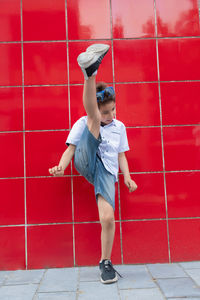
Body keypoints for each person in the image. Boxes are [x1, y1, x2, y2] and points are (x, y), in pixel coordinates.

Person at [49, 44, 137, 284]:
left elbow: (121, 155)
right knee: (94, 123)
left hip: (106, 173)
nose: (111, 115)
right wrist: (61, 166)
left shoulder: (120, 127)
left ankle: (105, 261)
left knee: (108, 219)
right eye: (106, 111)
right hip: (86, 161)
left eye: (113, 110)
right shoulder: (84, 122)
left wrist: (127, 177)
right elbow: (71, 149)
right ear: (98, 108)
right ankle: (90, 73)